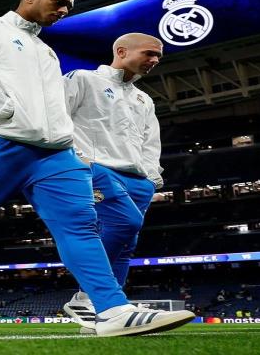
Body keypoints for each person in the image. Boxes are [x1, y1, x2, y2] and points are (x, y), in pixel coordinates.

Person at [0, 0, 193, 338]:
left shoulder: (46, 51)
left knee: (81, 226)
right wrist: (1, 111)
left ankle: (110, 309)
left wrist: (63, 138)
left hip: (54, 152)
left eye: (68, 6)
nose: (64, 10)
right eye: (59, 2)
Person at [62, 33, 175, 331]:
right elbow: (56, 116)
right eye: (149, 53)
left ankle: (107, 312)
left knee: (127, 244)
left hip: (138, 179)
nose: (155, 60)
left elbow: (150, 142)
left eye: (158, 56)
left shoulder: (143, 98)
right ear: (122, 51)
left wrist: (150, 180)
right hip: (96, 167)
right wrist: (79, 160)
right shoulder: (83, 79)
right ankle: (88, 297)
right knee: (126, 223)